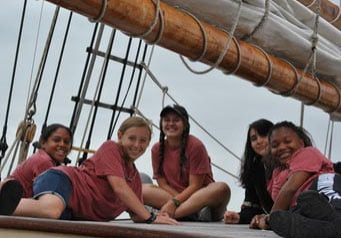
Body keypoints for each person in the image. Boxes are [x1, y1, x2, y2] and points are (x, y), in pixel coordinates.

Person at [0, 116, 178, 225]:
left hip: (72, 210)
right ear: (120, 136)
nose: (137, 145)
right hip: (64, 180)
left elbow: (137, 214)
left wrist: (157, 215)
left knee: (56, 214)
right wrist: (151, 218)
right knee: (51, 210)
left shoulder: (134, 179)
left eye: (143, 140)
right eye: (132, 138)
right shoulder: (111, 149)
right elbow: (119, 187)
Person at [250, 121, 341, 238]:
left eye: (287, 141)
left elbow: (290, 188)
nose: (282, 147)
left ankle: (336, 222)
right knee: (301, 211)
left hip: (323, 183)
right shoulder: (277, 174)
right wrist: (263, 219)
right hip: (302, 205)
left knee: (330, 202)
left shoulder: (307, 153)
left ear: (301, 143)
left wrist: (271, 219)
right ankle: (326, 228)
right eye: (275, 145)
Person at [142, 104, 230, 222]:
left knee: (222, 188)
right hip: (174, 197)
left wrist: (174, 203)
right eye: (167, 120)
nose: (171, 124)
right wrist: (176, 201)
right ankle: (187, 213)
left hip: (199, 199)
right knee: (142, 189)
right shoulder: (156, 149)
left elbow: (195, 186)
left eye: (176, 120)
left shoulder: (196, 146)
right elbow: (162, 184)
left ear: (185, 125)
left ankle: (167, 214)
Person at [224, 119, 274, 224]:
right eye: (254, 139)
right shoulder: (256, 169)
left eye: (264, 135)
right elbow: (252, 207)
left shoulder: (290, 164)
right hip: (274, 221)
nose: (259, 141)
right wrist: (238, 217)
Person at [9, 123, 73, 198]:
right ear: (43, 143)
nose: (62, 144)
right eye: (56, 140)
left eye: (66, 142)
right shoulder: (44, 161)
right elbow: (48, 197)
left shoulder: (42, 157)